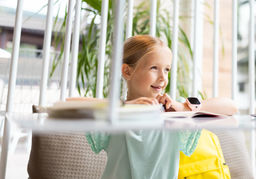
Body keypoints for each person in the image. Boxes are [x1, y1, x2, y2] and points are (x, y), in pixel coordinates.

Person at [85, 35, 237, 179]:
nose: (163, 78)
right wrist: (123, 106)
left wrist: (184, 107)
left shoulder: (171, 111)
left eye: (167, 69)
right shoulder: (113, 111)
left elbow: (230, 107)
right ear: (127, 71)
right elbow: (67, 103)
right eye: (153, 68)